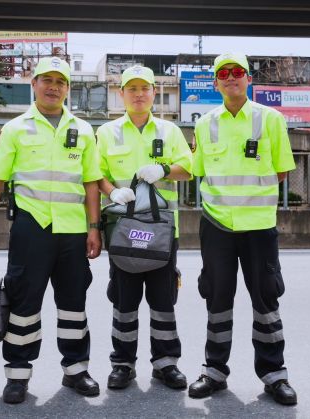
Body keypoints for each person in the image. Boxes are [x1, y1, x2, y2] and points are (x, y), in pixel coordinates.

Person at [0, 57, 103, 404]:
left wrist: (94, 228)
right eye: (47, 80)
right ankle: (17, 375)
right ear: (34, 84)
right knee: (23, 302)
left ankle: (76, 370)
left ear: (68, 88)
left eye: (60, 81)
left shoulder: (84, 130)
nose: (53, 87)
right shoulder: (15, 129)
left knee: (74, 303)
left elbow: (91, 184)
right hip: (31, 227)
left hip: (73, 230)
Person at [187, 53, 298, 405]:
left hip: (259, 226)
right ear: (216, 83)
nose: (231, 77)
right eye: (224, 73)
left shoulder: (271, 119)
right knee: (217, 298)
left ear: (248, 79)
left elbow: (281, 170)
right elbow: (198, 170)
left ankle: (274, 374)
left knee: (266, 299)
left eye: (238, 72)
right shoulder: (205, 124)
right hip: (216, 225)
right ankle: (214, 371)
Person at [96, 65, 193, 390]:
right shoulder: (107, 133)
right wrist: (112, 191)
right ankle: (122, 364)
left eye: (144, 88)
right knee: (124, 302)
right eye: (132, 89)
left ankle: (166, 364)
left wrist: (164, 169)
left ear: (154, 92)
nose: (138, 94)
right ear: (121, 94)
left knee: (163, 301)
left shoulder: (170, 130)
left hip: (162, 231)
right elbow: (95, 174)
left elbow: (189, 168)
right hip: (122, 230)